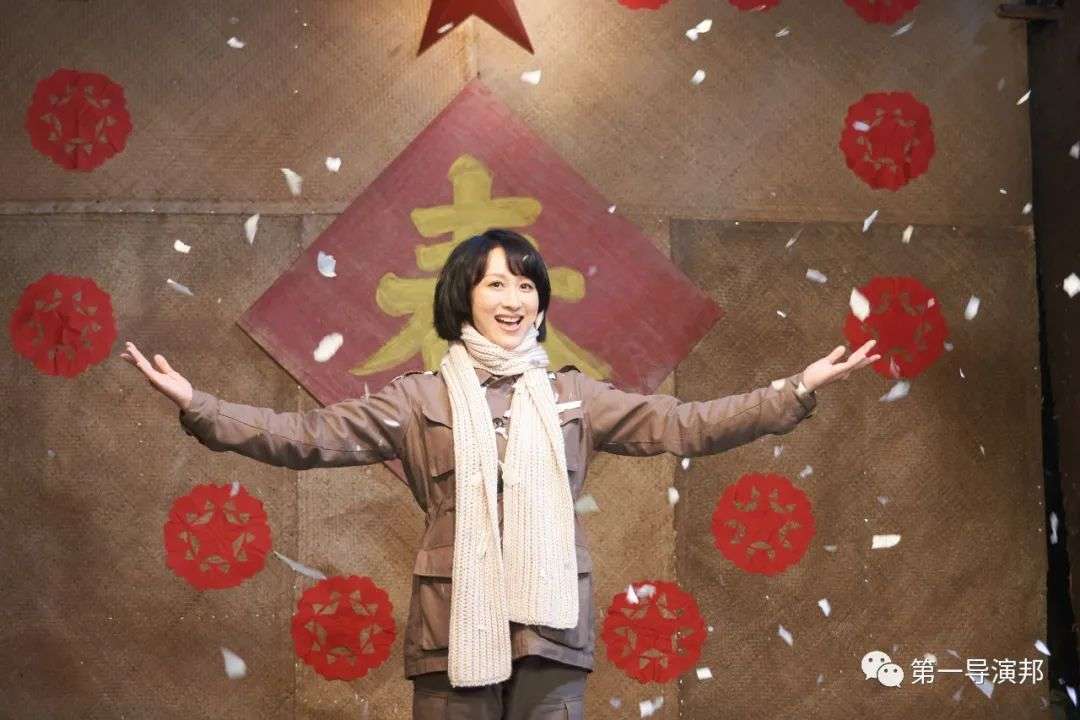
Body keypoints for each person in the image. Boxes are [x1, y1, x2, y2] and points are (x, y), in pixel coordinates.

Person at [120, 228, 879, 719]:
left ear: (540, 305)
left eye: (527, 286)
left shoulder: (574, 396)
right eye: (496, 284)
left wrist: (795, 390)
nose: (515, 299)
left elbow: (688, 424)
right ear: (464, 297)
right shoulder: (419, 398)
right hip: (453, 626)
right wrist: (200, 405)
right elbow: (305, 438)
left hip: (552, 627)